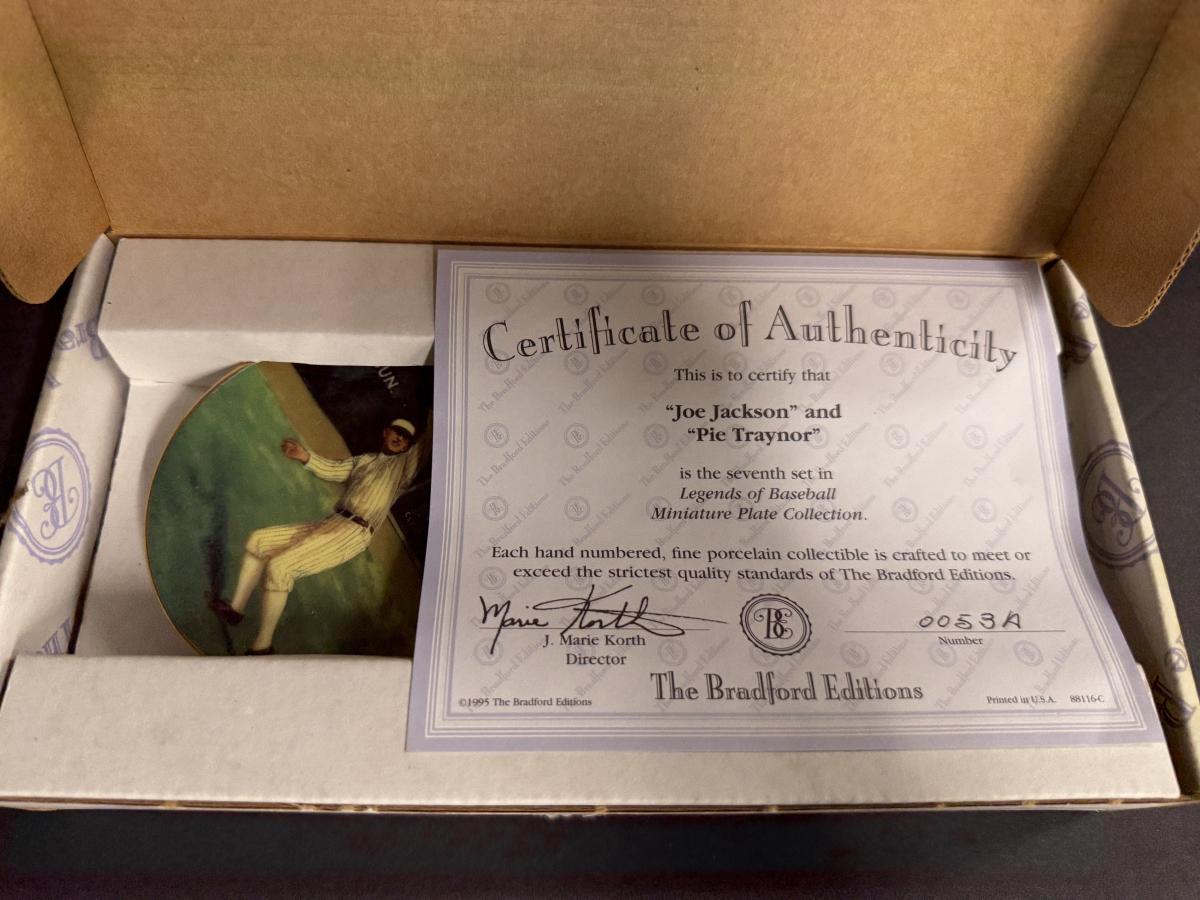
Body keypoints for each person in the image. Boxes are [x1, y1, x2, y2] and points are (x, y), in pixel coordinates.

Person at [208, 418, 424, 654]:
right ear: (386, 432)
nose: (399, 438)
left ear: (408, 446)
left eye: (405, 438)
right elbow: (334, 470)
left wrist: (430, 417)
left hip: (354, 533)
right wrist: (305, 456)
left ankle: (262, 646)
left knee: (280, 567)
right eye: (397, 432)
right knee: (258, 540)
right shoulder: (364, 460)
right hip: (333, 522)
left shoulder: (402, 472)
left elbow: (421, 448)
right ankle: (236, 609)